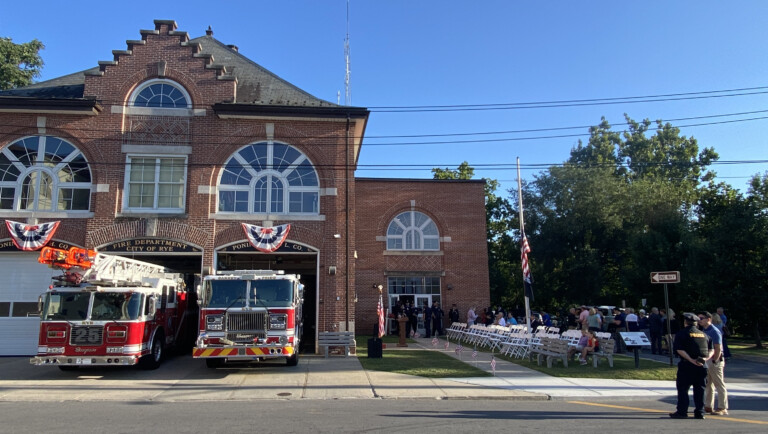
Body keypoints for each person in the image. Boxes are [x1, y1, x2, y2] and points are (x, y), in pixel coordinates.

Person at [669, 312, 713, 420]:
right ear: (696, 323)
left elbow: (679, 349)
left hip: (687, 366)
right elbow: (712, 349)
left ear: (685, 322)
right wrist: (705, 359)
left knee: (683, 389)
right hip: (702, 366)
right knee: (700, 390)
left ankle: (682, 412)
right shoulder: (704, 335)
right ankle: (700, 412)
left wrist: (690, 360)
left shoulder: (682, 334)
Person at [699, 311, 728, 416]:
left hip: (715, 360)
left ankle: (722, 407)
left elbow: (718, 347)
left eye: (701, 318)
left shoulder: (714, 331)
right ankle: (708, 405)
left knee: (719, 384)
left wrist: (715, 360)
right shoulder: (703, 330)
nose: (699, 320)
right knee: (708, 384)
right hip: (708, 359)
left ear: (708, 319)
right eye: (699, 318)